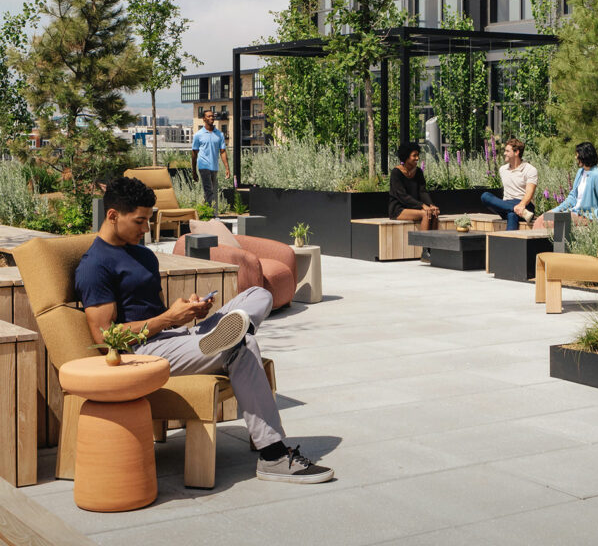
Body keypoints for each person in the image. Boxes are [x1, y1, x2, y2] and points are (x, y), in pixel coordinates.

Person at [74, 176, 333, 484]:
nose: (145, 229)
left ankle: (231, 331)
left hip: (178, 337)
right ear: (112, 216)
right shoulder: (95, 265)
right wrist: (170, 318)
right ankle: (273, 456)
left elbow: (155, 312)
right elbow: (105, 337)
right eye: (140, 221)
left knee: (259, 294)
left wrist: (186, 311)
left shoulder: (142, 254)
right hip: (143, 351)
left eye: (148, 221)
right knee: (242, 347)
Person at [542, 141, 598, 224]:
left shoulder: (597, 175)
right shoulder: (580, 172)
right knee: (543, 218)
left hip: (588, 217)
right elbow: (572, 197)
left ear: (584, 155)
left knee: (551, 221)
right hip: (574, 213)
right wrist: (555, 210)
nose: (576, 157)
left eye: (577, 154)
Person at [481, 137, 538, 231]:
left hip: (524, 205)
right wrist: (517, 209)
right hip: (508, 205)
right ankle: (518, 211)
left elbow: (529, 193)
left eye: (507, 151)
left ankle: (508, 243)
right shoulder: (503, 169)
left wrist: (521, 206)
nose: (504, 153)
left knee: (512, 215)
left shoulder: (530, 170)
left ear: (516, 152)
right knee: (485, 196)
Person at [389, 141, 439, 231]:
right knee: (425, 214)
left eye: (418, 155)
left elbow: (422, 191)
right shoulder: (396, 172)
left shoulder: (418, 172)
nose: (417, 158)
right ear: (406, 156)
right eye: (414, 155)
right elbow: (402, 196)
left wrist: (431, 205)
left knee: (434, 213)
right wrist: (422, 205)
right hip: (399, 209)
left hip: (414, 207)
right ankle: (424, 244)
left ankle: (433, 243)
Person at [192, 109, 230, 217]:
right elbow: (194, 153)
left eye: (212, 116)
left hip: (214, 166)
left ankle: (203, 213)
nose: (211, 118)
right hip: (203, 165)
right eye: (208, 116)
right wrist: (193, 170)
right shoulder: (198, 135)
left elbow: (222, 152)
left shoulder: (219, 135)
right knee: (209, 191)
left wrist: (227, 168)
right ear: (204, 119)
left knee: (210, 191)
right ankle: (211, 216)